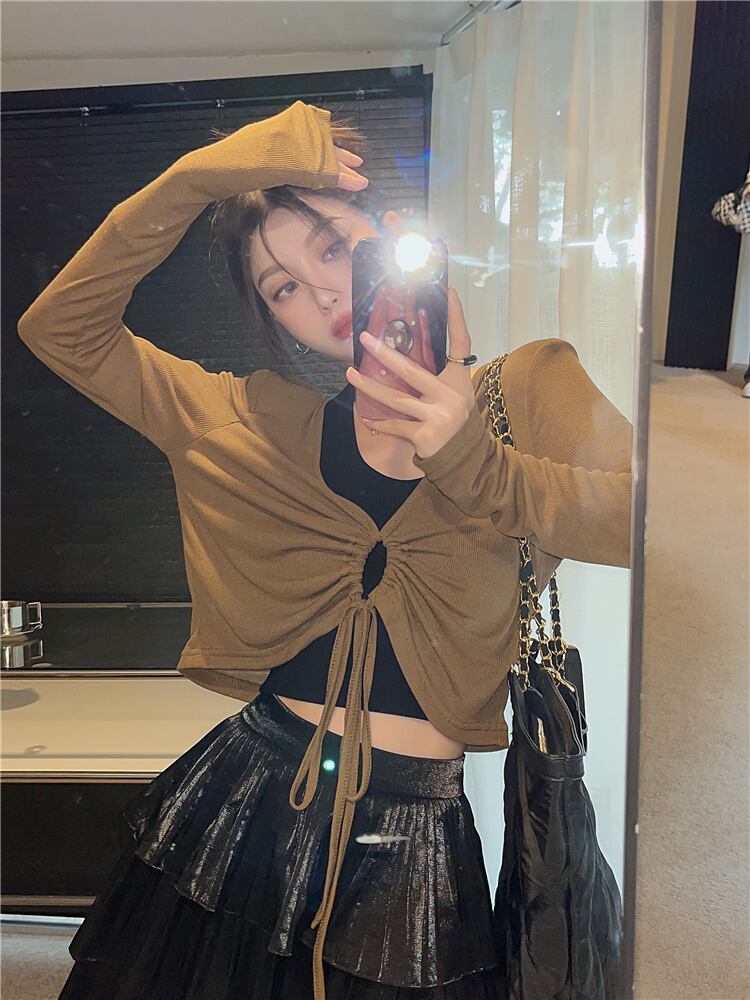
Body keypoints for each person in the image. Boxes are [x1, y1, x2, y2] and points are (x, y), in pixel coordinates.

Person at [17, 101, 633, 1000]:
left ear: (397, 237)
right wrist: (194, 179)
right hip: (241, 816)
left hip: (416, 852)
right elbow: (61, 328)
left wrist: (476, 461)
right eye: (283, 288)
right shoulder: (246, 422)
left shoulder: (527, 390)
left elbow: (651, 525)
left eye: (337, 250)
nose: (327, 297)